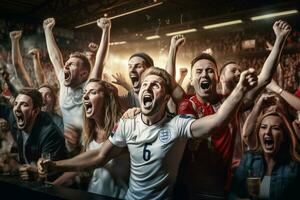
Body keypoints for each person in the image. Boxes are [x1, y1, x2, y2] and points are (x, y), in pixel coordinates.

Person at [38, 66, 257, 199]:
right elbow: (99, 156)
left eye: (156, 86)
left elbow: (217, 122)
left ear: (165, 97)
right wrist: (57, 166)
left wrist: (239, 91)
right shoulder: (128, 123)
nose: (148, 88)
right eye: (145, 85)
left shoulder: (178, 125)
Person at [176, 20, 291, 199]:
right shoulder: (186, 105)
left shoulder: (230, 103)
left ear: (216, 78)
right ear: (191, 80)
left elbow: (265, 78)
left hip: (224, 187)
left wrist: (280, 40)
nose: (204, 74)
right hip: (193, 190)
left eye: (209, 71)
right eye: (198, 72)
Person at [52, 79, 130, 199]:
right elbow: (80, 163)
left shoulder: (123, 126)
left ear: (106, 98)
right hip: (93, 193)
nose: (85, 97)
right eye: (84, 93)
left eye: (92, 92)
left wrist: (55, 165)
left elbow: (98, 157)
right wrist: (54, 184)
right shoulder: (90, 131)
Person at [43, 17, 111, 153]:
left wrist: (106, 30)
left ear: (83, 74)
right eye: (67, 63)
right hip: (68, 144)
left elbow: (100, 61)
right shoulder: (63, 81)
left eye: (72, 64)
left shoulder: (89, 86)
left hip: (91, 145)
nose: (66, 65)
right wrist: (47, 30)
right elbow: (55, 57)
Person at [230, 105, 300, 200]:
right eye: (263, 127)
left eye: (275, 128)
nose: (267, 132)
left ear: (284, 136)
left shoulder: (294, 167)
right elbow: (232, 194)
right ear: (258, 133)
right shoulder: (249, 159)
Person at [0, 88, 67, 180]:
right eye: (16, 104)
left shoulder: (50, 134)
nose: (17, 109)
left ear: (35, 111)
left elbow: (50, 170)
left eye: (24, 105)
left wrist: (36, 173)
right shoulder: (14, 118)